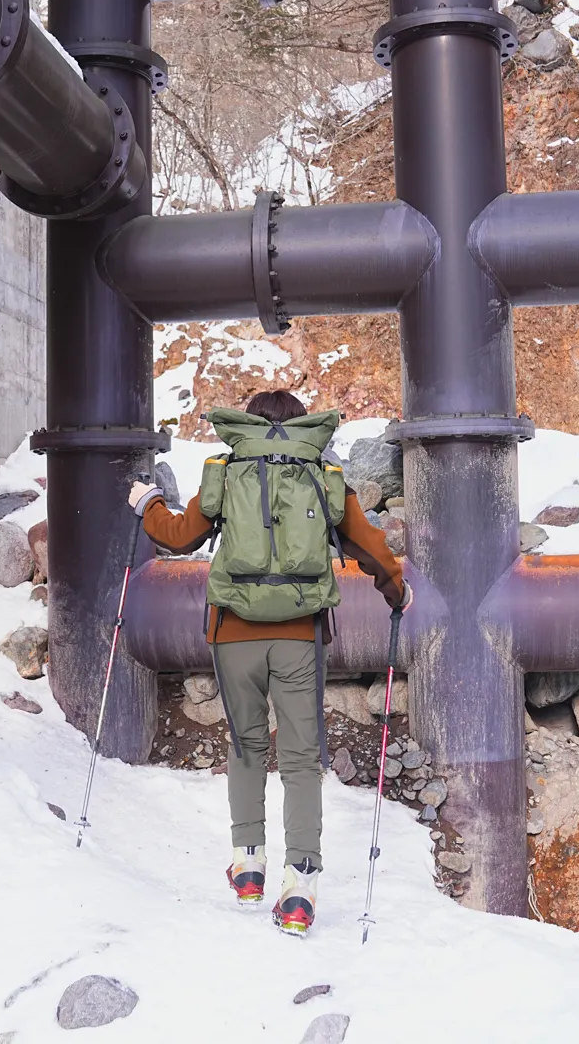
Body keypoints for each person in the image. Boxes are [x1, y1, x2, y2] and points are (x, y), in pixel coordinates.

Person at [129, 390, 409, 937]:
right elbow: (369, 544)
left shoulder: (226, 469)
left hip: (233, 633)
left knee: (246, 743)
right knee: (302, 758)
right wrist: (396, 592)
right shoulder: (321, 472)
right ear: (301, 422)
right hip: (300, 634)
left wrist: (147, 505)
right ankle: (300, 889)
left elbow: (179, 536)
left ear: (249, 423)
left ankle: (249, 867)